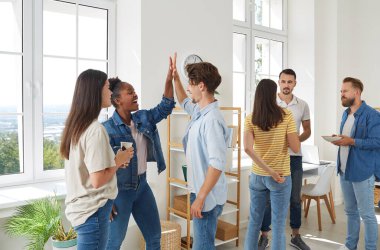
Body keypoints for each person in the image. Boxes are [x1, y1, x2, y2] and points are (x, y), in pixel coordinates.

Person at [102, 59, 175, 250]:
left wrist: (169, 79)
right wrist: (105, 201)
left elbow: (166, 106)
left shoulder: (142, 118)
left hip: (142, 187)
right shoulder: (106, 130)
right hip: (119, 193)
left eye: (134, 91)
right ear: (117, 100)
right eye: (130, 92)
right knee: (114, 243)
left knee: (154, 238)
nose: (135, 94)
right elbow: (98, 168)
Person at [60, 69, 134, 250]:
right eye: (108, 87)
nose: (110, 92)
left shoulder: (76, 126)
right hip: (93, 213)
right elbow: (98, 180)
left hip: (82, 210)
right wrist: (118, 160)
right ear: (96, 91)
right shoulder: (95, 130)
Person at [171, 53, 229, 250]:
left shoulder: (211, 120)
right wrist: (176, 78)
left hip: (207, 196)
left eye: (191, 83)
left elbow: (218, 163)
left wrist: (201, 197)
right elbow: (183, 101)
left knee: (202, 247)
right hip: (201, 191)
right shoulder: (200, 112)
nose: (188, 88)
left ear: (201, 86)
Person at [244, 79, 300, 250]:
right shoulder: (286, 115)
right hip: (280, 177)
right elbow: (296, 147)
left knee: (254, 221)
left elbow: (247, 148)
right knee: (278, 224)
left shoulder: (250, 118)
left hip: (257, 177)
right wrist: (273, 171)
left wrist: (266, 169)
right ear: (273, 94)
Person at [258, 69, 311, 250]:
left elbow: (307, 131)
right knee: (267, 199)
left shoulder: (302, 105)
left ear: (295, 83)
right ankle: (264, 236)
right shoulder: (271, 103)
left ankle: (296, 236)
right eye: (283, 81)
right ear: (279, 83)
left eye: (290, 82)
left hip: (294, 158)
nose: (286, 85)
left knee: (295, 198)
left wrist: (293, 142)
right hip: (272, 158)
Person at [330, 77, 380, 250]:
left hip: (362, 172)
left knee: (367, 215)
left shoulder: (372, 115)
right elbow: (348, 139)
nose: (341, 94)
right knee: (351, 212)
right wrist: (338, 139)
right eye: (341, 91)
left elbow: (376, 142)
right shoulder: (346, 113)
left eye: (345, 91)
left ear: (356, 92)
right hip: (345, 170)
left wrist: (351, 141)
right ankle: (350, 246)